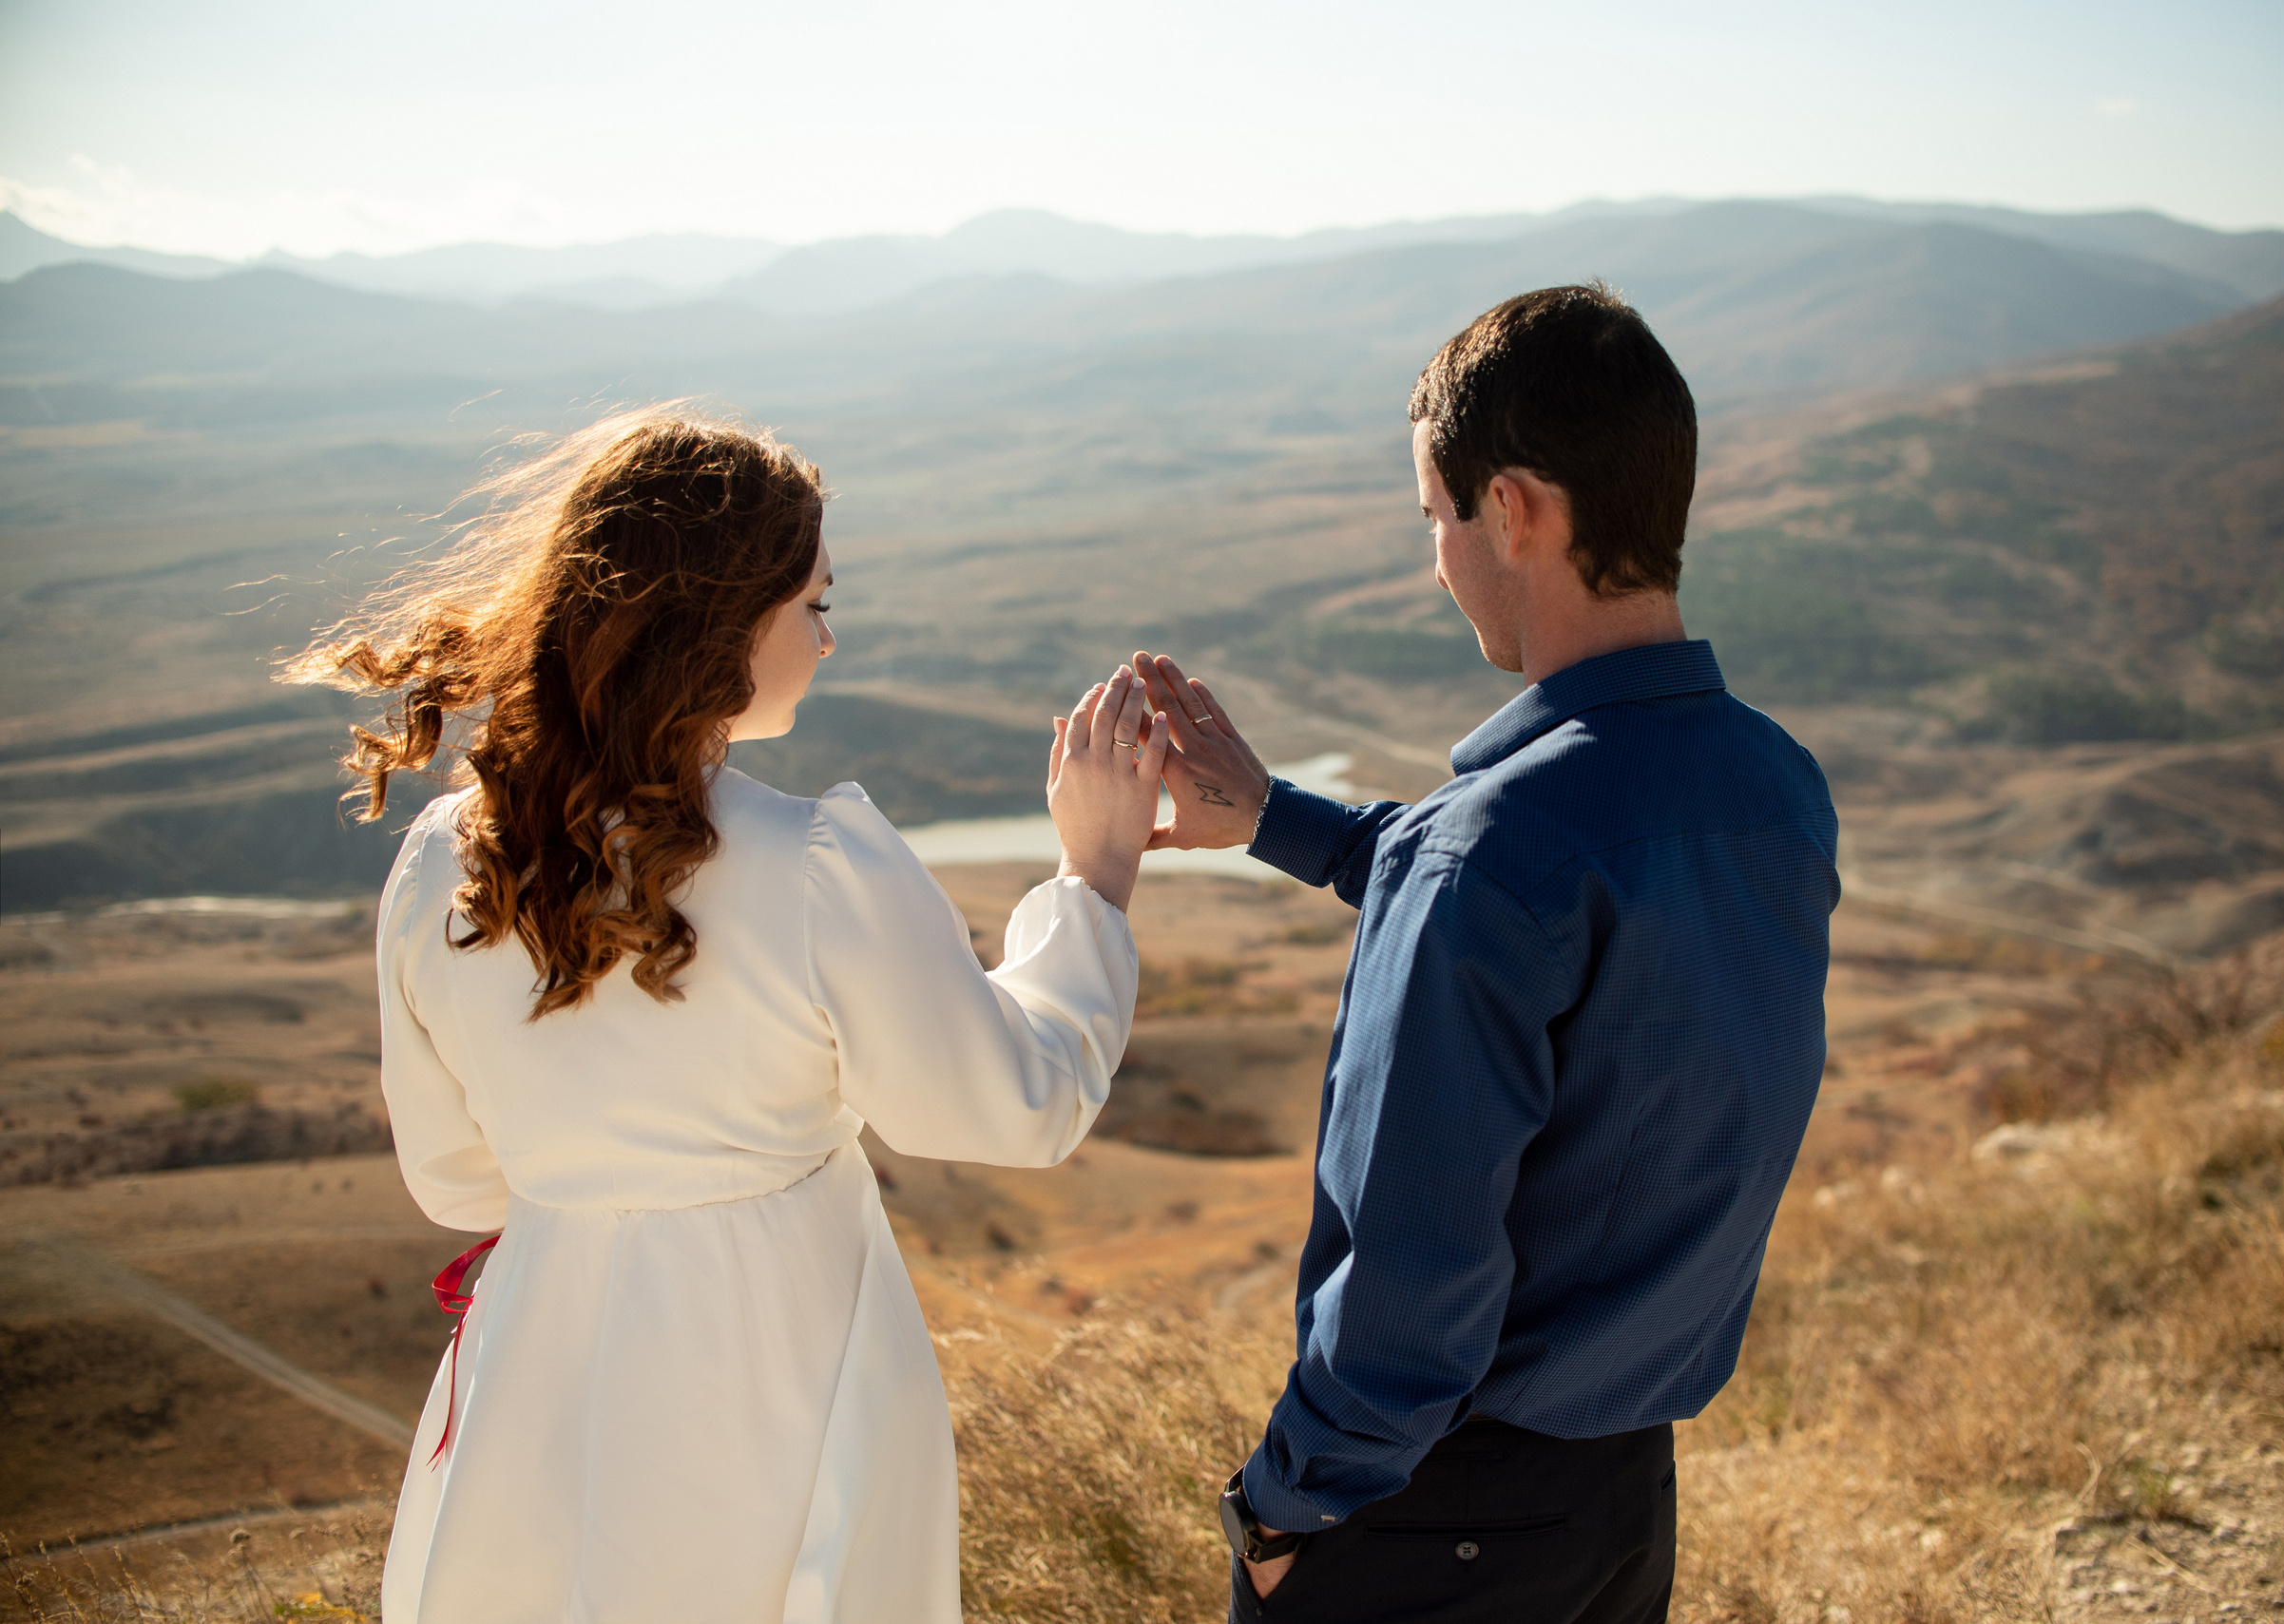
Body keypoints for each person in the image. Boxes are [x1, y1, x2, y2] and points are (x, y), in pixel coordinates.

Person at [282, 407, 1171, 1624]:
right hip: (778, 1360)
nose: (830, 635)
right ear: (718, 624)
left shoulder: (446, 858)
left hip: (539, 1354)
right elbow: (1019, 1103)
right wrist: (1095, 875)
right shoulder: (814, 864)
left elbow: (451, 1178)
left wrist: (600, 1193)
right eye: (811, 602)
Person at [1132, 285, 1840, 1623]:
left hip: (1428, 1527)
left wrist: (1283, 1504)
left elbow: (1415, 1278)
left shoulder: (1490, 855)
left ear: (1512, 509)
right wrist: (1277, 816)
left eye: (1435, 518)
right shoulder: (1773, 786)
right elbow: (1560, 882)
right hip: (1625, 1507)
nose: (1437, 559)